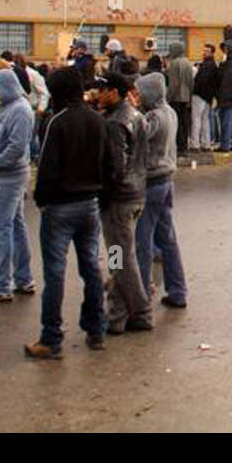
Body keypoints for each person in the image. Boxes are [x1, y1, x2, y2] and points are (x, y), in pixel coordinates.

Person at [25, 67, 108, 359]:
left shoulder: (56, 122)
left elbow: (47, 168)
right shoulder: (98, 120)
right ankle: (97, 329)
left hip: (60, 207)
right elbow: (108, 164)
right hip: (90, 205)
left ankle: (51, 338)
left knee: (55, 274)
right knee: (92, 268)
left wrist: (42, 199)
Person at [96, 72, 153, 335]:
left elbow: (116, 168)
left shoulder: (116, 122)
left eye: (103, 89)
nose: (98, 93)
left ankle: (141, 310)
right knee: (119, 256)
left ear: (115, 92)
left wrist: (104, 190)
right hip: (136, 193)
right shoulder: (135, 115)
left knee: (120, 259)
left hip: (119, 200)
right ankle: (117, 315)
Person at [0, 68, 36, 303]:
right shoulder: (9, 108)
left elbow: (16, 146)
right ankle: (23, 278)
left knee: (1, 230)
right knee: (15, 227)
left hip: (7, 177)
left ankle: (1, 284)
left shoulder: (20, 110)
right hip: (6, 176)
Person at [134, 72, 187, 309]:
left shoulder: (154, 117)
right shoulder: (170, 112)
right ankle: (178, 290)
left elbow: (137, 137)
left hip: (152, 181)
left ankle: (142, 291)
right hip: (166, 180)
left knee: (140, 241)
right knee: (168, 239)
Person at [164, 41, 194, 155]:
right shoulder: (188, 63)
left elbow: (174, 84)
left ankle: (178, 148)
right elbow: (191, 83)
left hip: (176, 98)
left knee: (176, 124)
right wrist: (190, 98)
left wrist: (168, 98)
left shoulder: (174, 63)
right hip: (186, 98)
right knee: (184, 124)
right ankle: (184, 147)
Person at [191, 43, 219, 151]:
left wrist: (195, 87)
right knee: (205, 120)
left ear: (211, 52)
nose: (204, 52)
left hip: (199, 95)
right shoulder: (214, 65)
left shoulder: (206, 65)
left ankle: (195, 144)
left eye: (206, 51)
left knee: (196, 120)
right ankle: (206, 144)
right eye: (204, 50)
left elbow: (200, 81)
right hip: (208, 97)